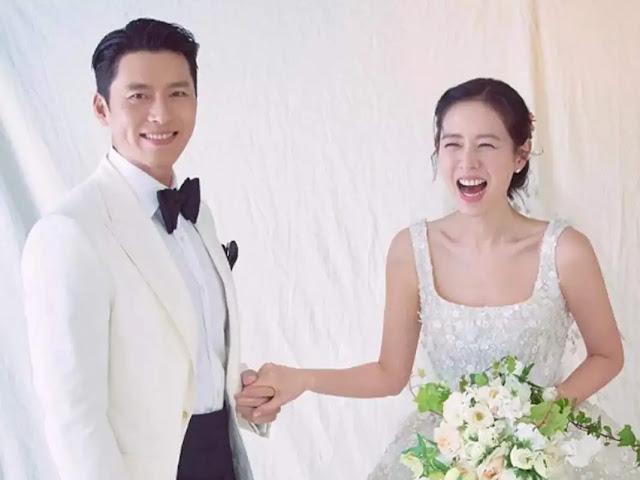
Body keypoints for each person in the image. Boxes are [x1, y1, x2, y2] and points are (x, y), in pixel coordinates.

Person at [238, 78, 638, 478]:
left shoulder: (565, 250)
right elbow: (389, 374)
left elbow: (607, 355)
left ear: (520, 154)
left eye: (486, 145)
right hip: (446, 455)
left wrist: (543, 415)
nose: (467, 162)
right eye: (453, 144)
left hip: (543, 451)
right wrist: (303, 379)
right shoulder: (411, 250)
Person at [21, 18, 277, 480]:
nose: (161, 114)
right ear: (102, 108)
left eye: (178, 93)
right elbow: (74, 418)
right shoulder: (69, 232)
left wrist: (243, 389)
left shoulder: (200, 215)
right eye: (138, 96)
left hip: (224, 461)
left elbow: (185, 349)